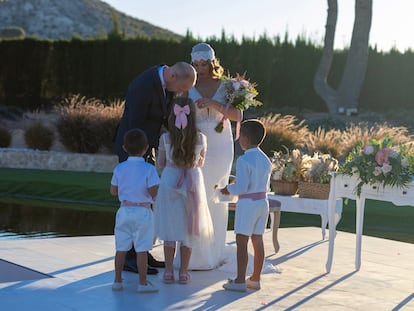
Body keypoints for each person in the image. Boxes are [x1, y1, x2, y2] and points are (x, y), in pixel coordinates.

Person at [114, 61, 197, 274]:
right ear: (173, 77)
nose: (180, 93)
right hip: (132, 148)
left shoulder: (165, 85)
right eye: (181, 89)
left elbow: (164, 116)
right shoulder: (143, 85)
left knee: (145, 204)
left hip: (145, 148)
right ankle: (130, 258)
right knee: (135, 203)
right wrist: (140, 154)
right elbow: (135, 123)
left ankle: (142, 252)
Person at [185, 43, 242, 270]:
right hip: (196, 143)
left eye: (203, 64)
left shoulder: (227, 86)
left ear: (211, 62)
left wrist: (214, 104)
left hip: (220, 144)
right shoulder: (187, 84)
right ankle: (195, 253)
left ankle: (214, 251)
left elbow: (237, 115)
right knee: (195, 194)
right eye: (196, 64)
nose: (199, 69)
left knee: (216, 194)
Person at [154, 97, 214, 284]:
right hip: (192, 181)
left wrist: (173, 166)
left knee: (170, 226)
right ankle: (184, 272)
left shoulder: (165, 138)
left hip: (171, 180)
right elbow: (201, 162)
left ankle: (169, 271)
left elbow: (160, 164)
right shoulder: (202, 138)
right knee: (190, 225)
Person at [220, 119, 273, 292]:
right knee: (257, 239)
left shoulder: (244, 160)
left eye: (240, 135)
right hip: (262, 203)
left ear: (247, 138)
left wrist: (227, 188)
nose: (239, 139)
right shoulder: (265, 159)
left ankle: (240, 280)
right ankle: (255, 279)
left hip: (248, 203)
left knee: (241, 241)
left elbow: (242, 187)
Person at [110, 128, 160, 293]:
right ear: (146, 148)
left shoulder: (120, 168)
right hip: (143, 212)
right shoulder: (149, 169)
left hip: (124, 211)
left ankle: (117, 281)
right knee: (141, 249)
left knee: (121, 248)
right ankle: (143, 283)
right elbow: (154, 193)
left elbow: (113, 191)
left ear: (124, 147)